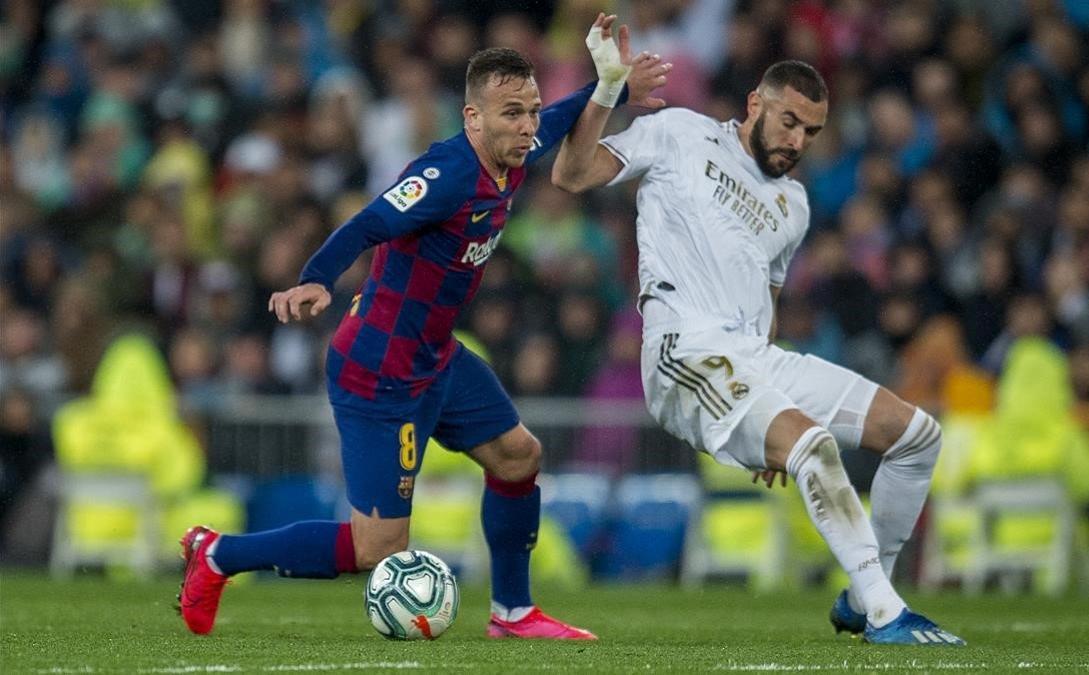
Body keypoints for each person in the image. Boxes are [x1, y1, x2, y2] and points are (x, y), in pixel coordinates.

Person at [177, 14, 670, 639]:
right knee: (374, 550)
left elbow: (564, 117)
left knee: (519, 457)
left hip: (435, 356)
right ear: (473, 118)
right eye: (512, 113)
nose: (527, 126)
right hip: (377, 370)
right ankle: (218, 554)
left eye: (531, 111)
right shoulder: (445, 176)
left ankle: (513, 614)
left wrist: (617, 88)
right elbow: (367, 223)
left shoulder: (517, 147)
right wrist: (315, 278)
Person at [551, 60, 966, 645]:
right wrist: (606, 93)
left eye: (812, 132)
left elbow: (765, 309)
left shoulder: (793, 205)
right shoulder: (678, 132)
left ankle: (862, 595)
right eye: (790, 122)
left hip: (754, 357)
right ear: (754, 104)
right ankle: (884, 613)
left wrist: (767, 410)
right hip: (683, 351)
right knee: (813, 444)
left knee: (917, 435)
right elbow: (569, 175)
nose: (797, 141)